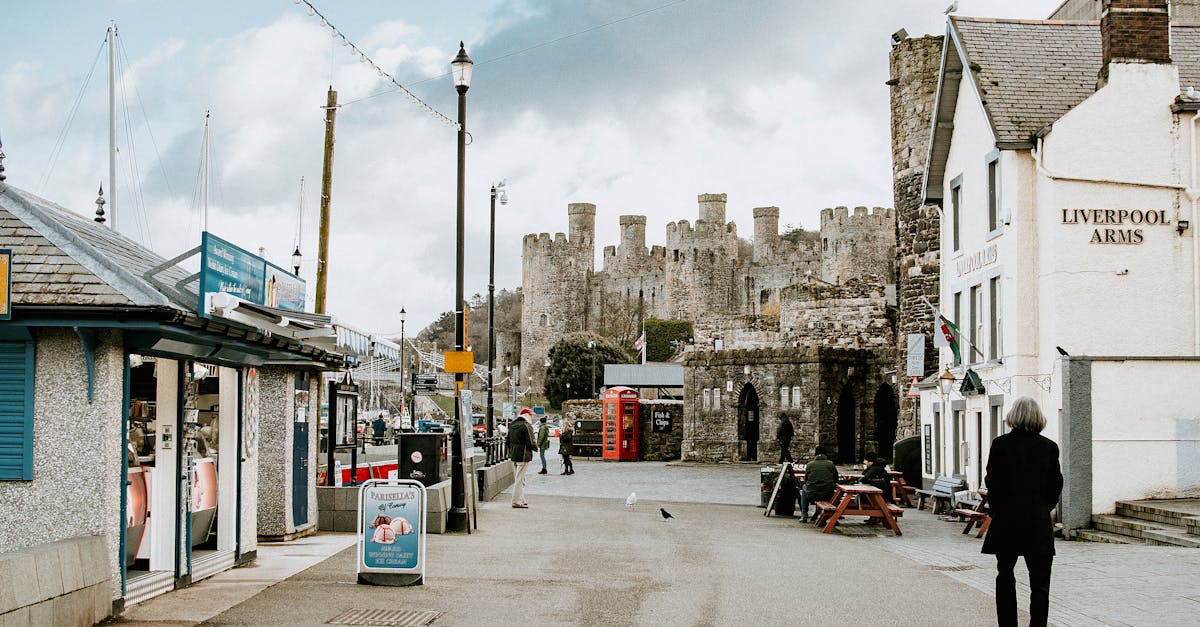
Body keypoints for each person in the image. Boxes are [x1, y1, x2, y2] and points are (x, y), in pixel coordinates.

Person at [982, 396, 1063, 627]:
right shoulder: (1049, 447)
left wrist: (997, 510)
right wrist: (1043, 507)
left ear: (1013, 416)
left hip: (1007, 520)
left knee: (1005, 576)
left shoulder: (1000, 444)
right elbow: (1055, 484)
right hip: (1037, 522)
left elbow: (993, 481)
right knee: (1040, 584)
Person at [506, 407, 538, 508]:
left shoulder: (512, 425)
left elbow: (507, 441)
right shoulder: (526, 426)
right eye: (531, 415)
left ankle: (521, 499)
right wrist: (536, 448)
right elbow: (531, 441)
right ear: (527, 415)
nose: (532, 417)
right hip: (523, 455)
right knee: (520, 480)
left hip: (514, 455)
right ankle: (516, 501)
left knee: (519, 479)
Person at [800, 446, 838, 524]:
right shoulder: (831, 464)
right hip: (827, 494)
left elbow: (806, 480)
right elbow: (835, 479)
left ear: (815, 454)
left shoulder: (810, 464)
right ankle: (832, 516)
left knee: (804, 488)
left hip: (812, 494)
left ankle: (804, 515)